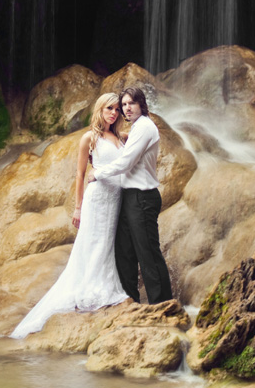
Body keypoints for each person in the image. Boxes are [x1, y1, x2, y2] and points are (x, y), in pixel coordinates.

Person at [11, 93, 130, 339]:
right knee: (92, 242)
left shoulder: (119, 137)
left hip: (115, 199)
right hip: (97, 198)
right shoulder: (90, 137)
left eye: (117, 109)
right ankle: (91, 290)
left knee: (106, 243)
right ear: (100, 109)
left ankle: (103, 284)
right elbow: (79, 174)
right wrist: (78, 207)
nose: (114, 113)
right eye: (110, 108)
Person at [89, 86, 173, 304]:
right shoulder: (136, 129)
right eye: (123, 104)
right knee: (124, 252)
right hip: (129, 197)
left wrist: (98, 173)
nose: (126, 108)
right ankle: (129, 301)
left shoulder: (144, 127)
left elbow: (127, 162)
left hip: (142, 197)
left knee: (148, 253)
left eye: (131, 103)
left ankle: (162, 305)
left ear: (141, 104)